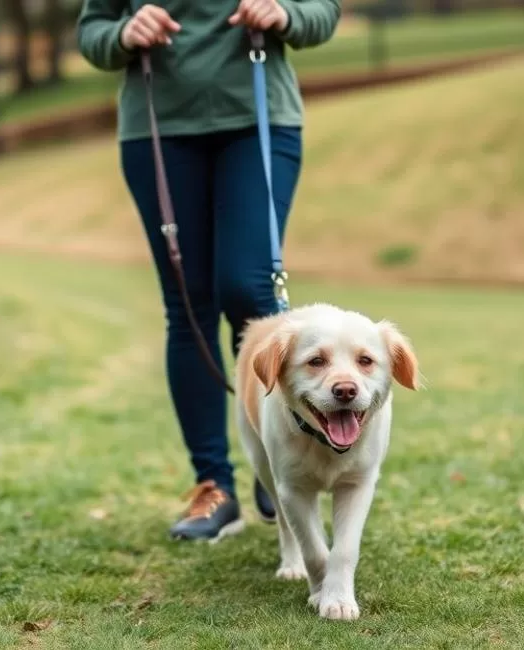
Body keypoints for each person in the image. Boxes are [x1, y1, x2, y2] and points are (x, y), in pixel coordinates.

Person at [76, 0, 341, 542]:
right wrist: (125, 31)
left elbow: (323, 12)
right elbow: (91, 32)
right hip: (159, 128)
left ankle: (279, 452)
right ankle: (213, 486)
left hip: (259, 116)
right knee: (189, 306)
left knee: (247, 286)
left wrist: (284, 14)